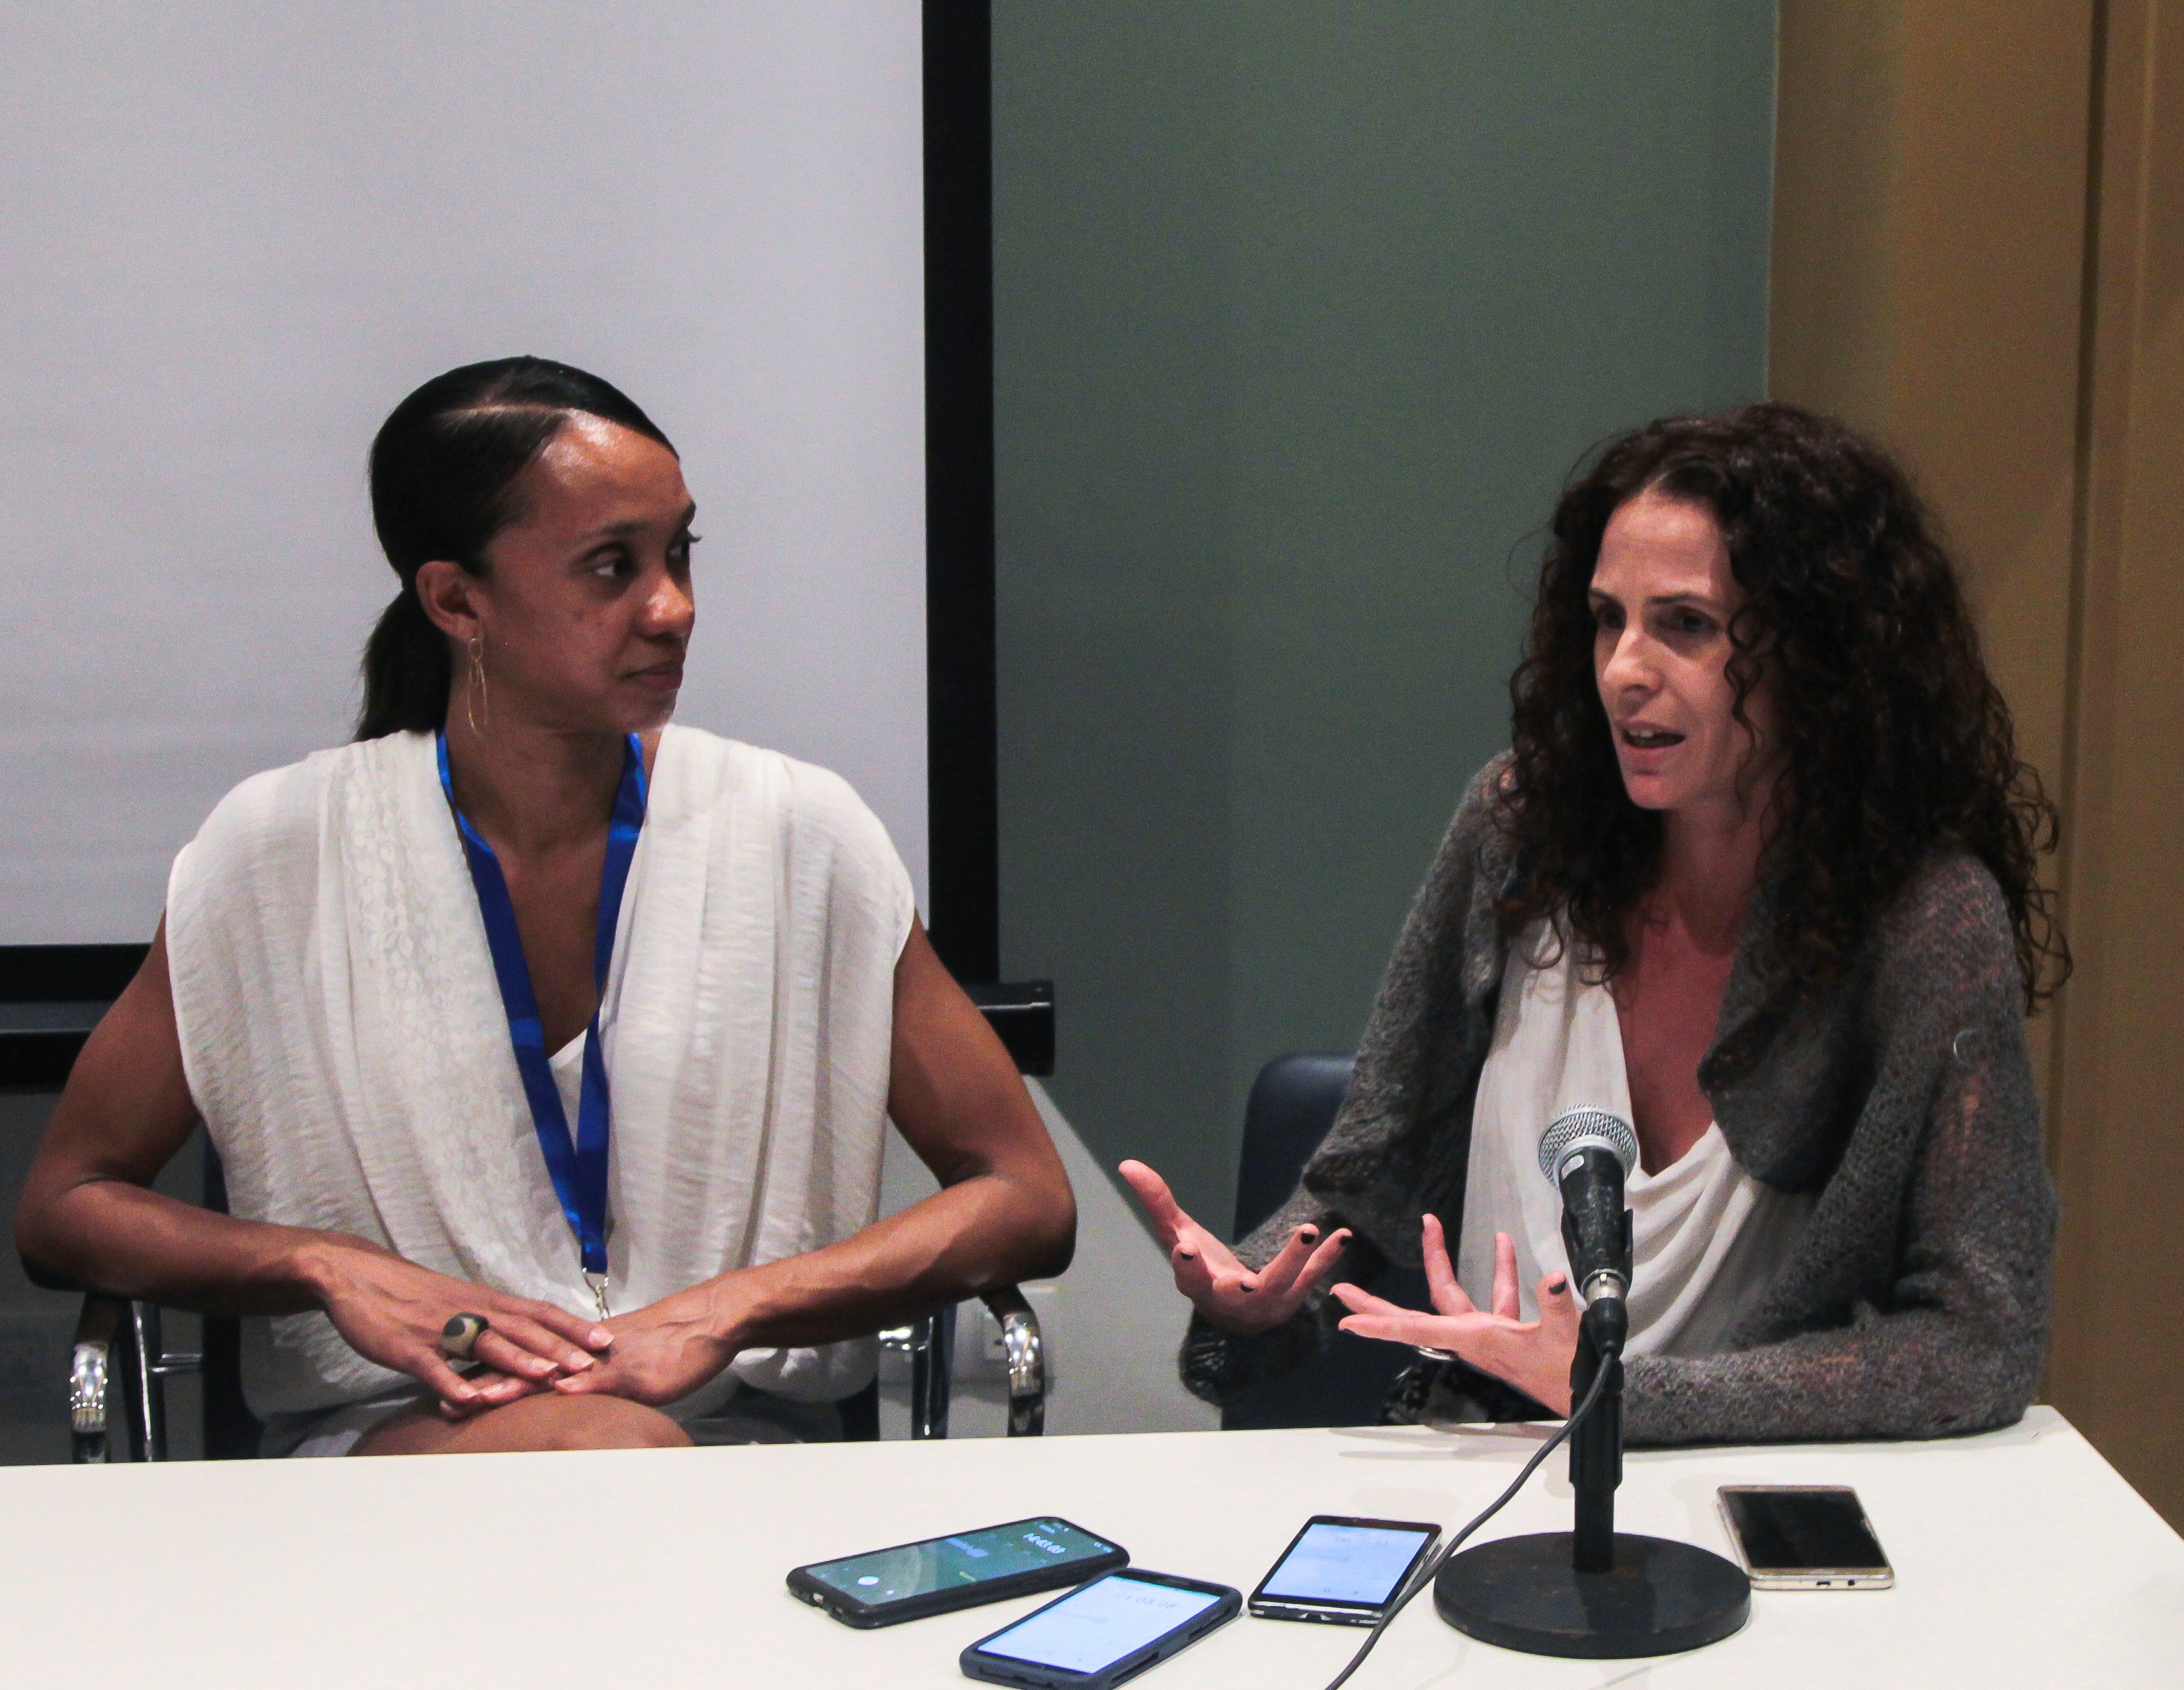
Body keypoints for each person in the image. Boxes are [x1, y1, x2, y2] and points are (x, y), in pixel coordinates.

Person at [15, 357, 1075, 1456]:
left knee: (623, 1452)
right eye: (612, 567)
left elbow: (1026, 1195)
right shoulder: (279, 850)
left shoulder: (798, 827)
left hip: (739, 1448)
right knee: (603, 1453)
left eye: (680, 553)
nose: (674, 608)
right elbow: (67, 1203)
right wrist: (324, 1266)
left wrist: (735, 1305)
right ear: (456, 600)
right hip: (398, 1444)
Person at [1121, 402, 2065, 1444]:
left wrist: (1616, 1397)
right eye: (1608, 618)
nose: (1623, 667)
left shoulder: (1926, 920)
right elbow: (1369, 1176)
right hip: (1480, 1467)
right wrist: (1261, 1289)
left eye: (1686, 625)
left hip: (1754, 1496)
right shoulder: (1522, 825)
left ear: (1823, 652)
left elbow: (1980, 1339)